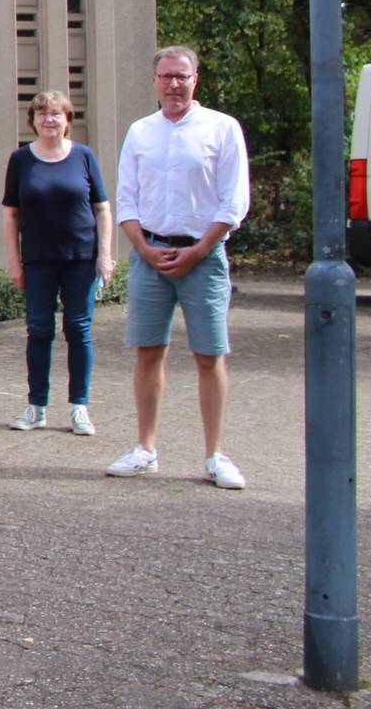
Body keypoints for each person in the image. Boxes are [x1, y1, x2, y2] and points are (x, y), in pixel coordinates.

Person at [106, 46, 252, 489]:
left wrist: (201, 248)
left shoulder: (222, 129)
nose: (173, 84)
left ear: (196, 80)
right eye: (166, 76)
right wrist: (144, 250)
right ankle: (145, 449)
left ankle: (214, 455)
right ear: (154, 81)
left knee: (210, 355)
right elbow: (127, 200)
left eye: (181, 76)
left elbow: (234, 201)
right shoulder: (141, 132)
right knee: (149, 352)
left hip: (203, 258)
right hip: (151, 258)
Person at [2, 90, 115, 436]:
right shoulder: (21, 160)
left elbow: (102, 209)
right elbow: (11, 214)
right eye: (42, 113)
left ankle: (79, 407)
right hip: (38, 260)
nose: (49, 119)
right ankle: (36, 407)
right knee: (39, 329)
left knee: (78, 329)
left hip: (81, 258)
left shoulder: (83, 156)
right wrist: (14, 262)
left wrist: (105, 256)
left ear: (68, 120)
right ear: (32, 120)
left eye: (56, 114)